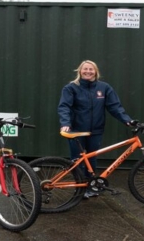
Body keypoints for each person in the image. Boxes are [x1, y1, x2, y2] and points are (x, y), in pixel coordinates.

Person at [57, 60, 133, 198]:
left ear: (96, 72)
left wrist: (127, 121)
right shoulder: (71, 88)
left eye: (91, 69)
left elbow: (114, 107)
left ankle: (90, 186)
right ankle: (79, 188)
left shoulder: (104, 88)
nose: (88, 71)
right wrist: (65, 123)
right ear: (80, 71)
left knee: (92, 159)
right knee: (78, 160)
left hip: (96, 130)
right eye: (85, 69)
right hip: (76, 131)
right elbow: (64, 107)